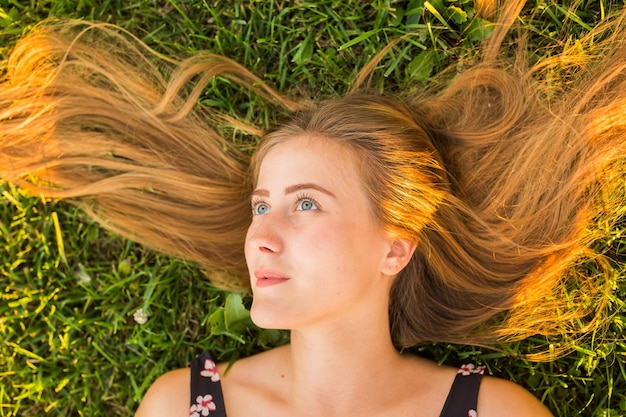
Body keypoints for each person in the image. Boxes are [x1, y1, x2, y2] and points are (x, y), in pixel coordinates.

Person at [1, 1, 625, 416]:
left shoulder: (492, 413)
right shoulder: (180, 406)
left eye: (305, 204)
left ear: (395, 247)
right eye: (261, 204)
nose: (260, 236)